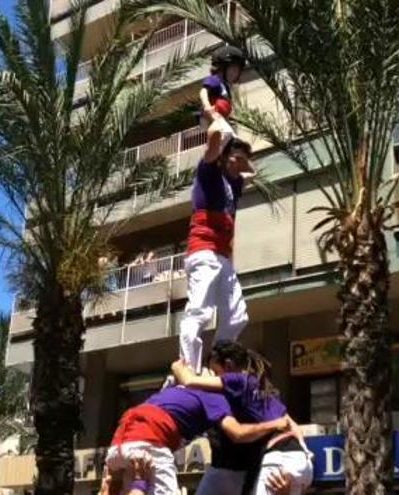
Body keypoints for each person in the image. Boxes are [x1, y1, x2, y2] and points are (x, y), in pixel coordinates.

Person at [172, 341, 313, 495]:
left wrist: (177, 367)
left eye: (215, 371)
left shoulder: (237, 380)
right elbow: (292, 425)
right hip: (301, 460)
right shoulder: (264, 387)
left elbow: (190, 381)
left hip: (277, 459)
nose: (214, 377)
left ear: (229, 365)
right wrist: (306, 454)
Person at [105, 382, 288, 495]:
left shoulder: (169, 393)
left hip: (117, 446)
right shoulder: (214, 397)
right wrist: (276, 423)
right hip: (147, 444)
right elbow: (237, 433)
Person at [178, 126, 255, 374]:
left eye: (243, 160)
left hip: (222, 258)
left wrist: (240, 156)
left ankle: (215, 367)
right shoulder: (209, 174)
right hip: (204, 252)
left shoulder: (233, 184)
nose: (240, 165)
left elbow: (253, 173)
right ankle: (188, 368)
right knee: (199, 311)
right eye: (236, 159)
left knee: (237, 316)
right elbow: (212, 143)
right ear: (224, 157)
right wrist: (219, 125)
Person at [200, 46, 246, 151]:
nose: (236, 74)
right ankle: (214, 155)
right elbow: (203, 92)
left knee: (234, 140)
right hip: (211, 114)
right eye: (234, 69)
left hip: (219, 116)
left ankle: (224, 155)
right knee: (226, 133)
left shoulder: (225, 88)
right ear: (223, 67)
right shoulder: (215, 80)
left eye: (238, 71)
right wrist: (207, 106)